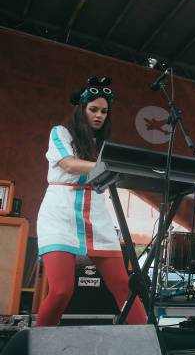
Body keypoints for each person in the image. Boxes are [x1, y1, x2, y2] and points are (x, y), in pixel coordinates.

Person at [36, 77, 148, 326]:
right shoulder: (61, 132)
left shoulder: (101, 146)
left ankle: (149, 341)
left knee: (123, 286)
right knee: (61, 290)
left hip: (96, 217)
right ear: (81, 109)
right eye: (93, 109)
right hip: (60, 215)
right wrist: (108, 166)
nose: (99, 115)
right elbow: (68, 163)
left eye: (104, 111)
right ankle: (36, 347)